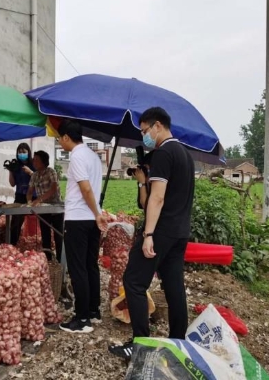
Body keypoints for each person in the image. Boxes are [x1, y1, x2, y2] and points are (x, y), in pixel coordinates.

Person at [110, 107, 195, 358]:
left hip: (161, 231)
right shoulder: (185, 154)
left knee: (134, 282)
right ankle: (178, 341)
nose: (144, 136)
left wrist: (148, 235)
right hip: (180, 231)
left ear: (158, 125)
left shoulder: (164, 153)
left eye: (144, 130)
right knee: (174, 286)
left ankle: (140, 345)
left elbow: (156, 198)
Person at [56, 120, 107, 334]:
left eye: (59, 138)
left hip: (78, 218)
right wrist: (97, 214)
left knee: (78, 269)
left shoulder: (76, 156)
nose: (60, 142)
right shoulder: (93, 156)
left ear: (67, 137)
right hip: (91, 220)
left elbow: (86, 189)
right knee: (90, 265)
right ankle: (93, 310)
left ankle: (82, 318)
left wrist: (97, 213)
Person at [27, 150, 63, 261]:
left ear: (43, 161)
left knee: (58, 235)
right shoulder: (34, 175)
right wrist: (29, 201)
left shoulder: (51, 172)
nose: (34, 162)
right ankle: (48, 259)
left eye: (36, 160)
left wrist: (39, 199)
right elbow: (30, 191)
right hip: (43, 209)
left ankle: (60, 259)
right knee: (45, 234)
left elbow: (53, 189)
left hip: (55, 207)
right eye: (33, 160)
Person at [9, 142, 36, 245]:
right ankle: (12, 244)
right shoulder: (16, 166)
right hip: (19, 196)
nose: (21, 154)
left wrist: (30, 172)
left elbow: (39, 179)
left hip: (33, 196)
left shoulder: (34, 164)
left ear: (28, 152)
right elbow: (12, 184)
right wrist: (11, 171)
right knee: (16, 221)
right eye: (19, 152)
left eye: (24, 152)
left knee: (37, 219)